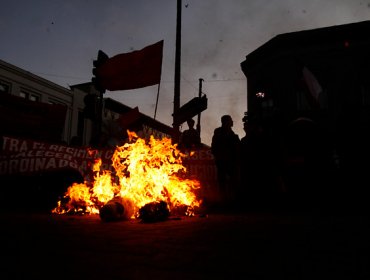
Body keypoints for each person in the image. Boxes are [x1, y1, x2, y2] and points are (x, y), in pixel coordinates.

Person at [211, 115, 241, 204]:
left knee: (233, 182)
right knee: (223, 182)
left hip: (231, 162)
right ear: (226, 122)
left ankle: (233, 200)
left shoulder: (233, 135)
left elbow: (237, 149)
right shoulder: (219, 133)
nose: (232, 122)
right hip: (223, 161)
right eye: (230, 120)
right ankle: (224, 200)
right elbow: (214, 147)